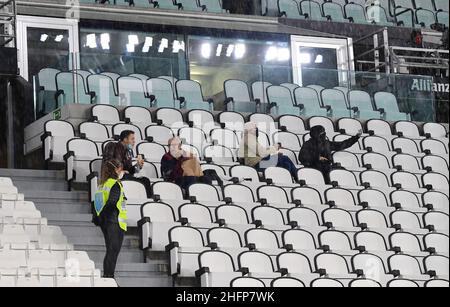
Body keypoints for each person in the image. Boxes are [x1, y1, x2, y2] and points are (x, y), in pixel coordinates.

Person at [93, 159, 127, 279]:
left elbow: (96, 203)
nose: (121, 171)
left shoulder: (102, 185)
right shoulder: (115, 184)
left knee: (110, 251)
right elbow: (112, 202)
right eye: (120, 168)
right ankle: (109, 278)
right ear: (115, 170)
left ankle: (108, 278)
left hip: (106, 222)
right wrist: (103, 216)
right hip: (114, 221)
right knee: (113, 252)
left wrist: (99, 218)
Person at [103, 130, 152, 198]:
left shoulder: (128, 152)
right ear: (125, 139)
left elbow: (129, 170)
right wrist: (120, 171)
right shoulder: (112, 145)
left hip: (125, 176)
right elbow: (107, 163)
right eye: (132, 139)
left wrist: (138, 166)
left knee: (145, 180)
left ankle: (148, 201)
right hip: (114, 176)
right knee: (128, 176)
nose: (134, 141)